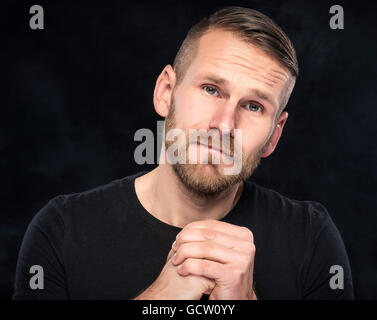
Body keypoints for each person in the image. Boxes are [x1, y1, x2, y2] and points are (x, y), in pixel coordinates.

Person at [13, 6, 353, 300]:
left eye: (253, 106)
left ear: (274, 135)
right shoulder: (61, 230)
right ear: (165, 92)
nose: (224, 125)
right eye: (211, 89)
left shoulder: (311, 239)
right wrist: (160, 299)